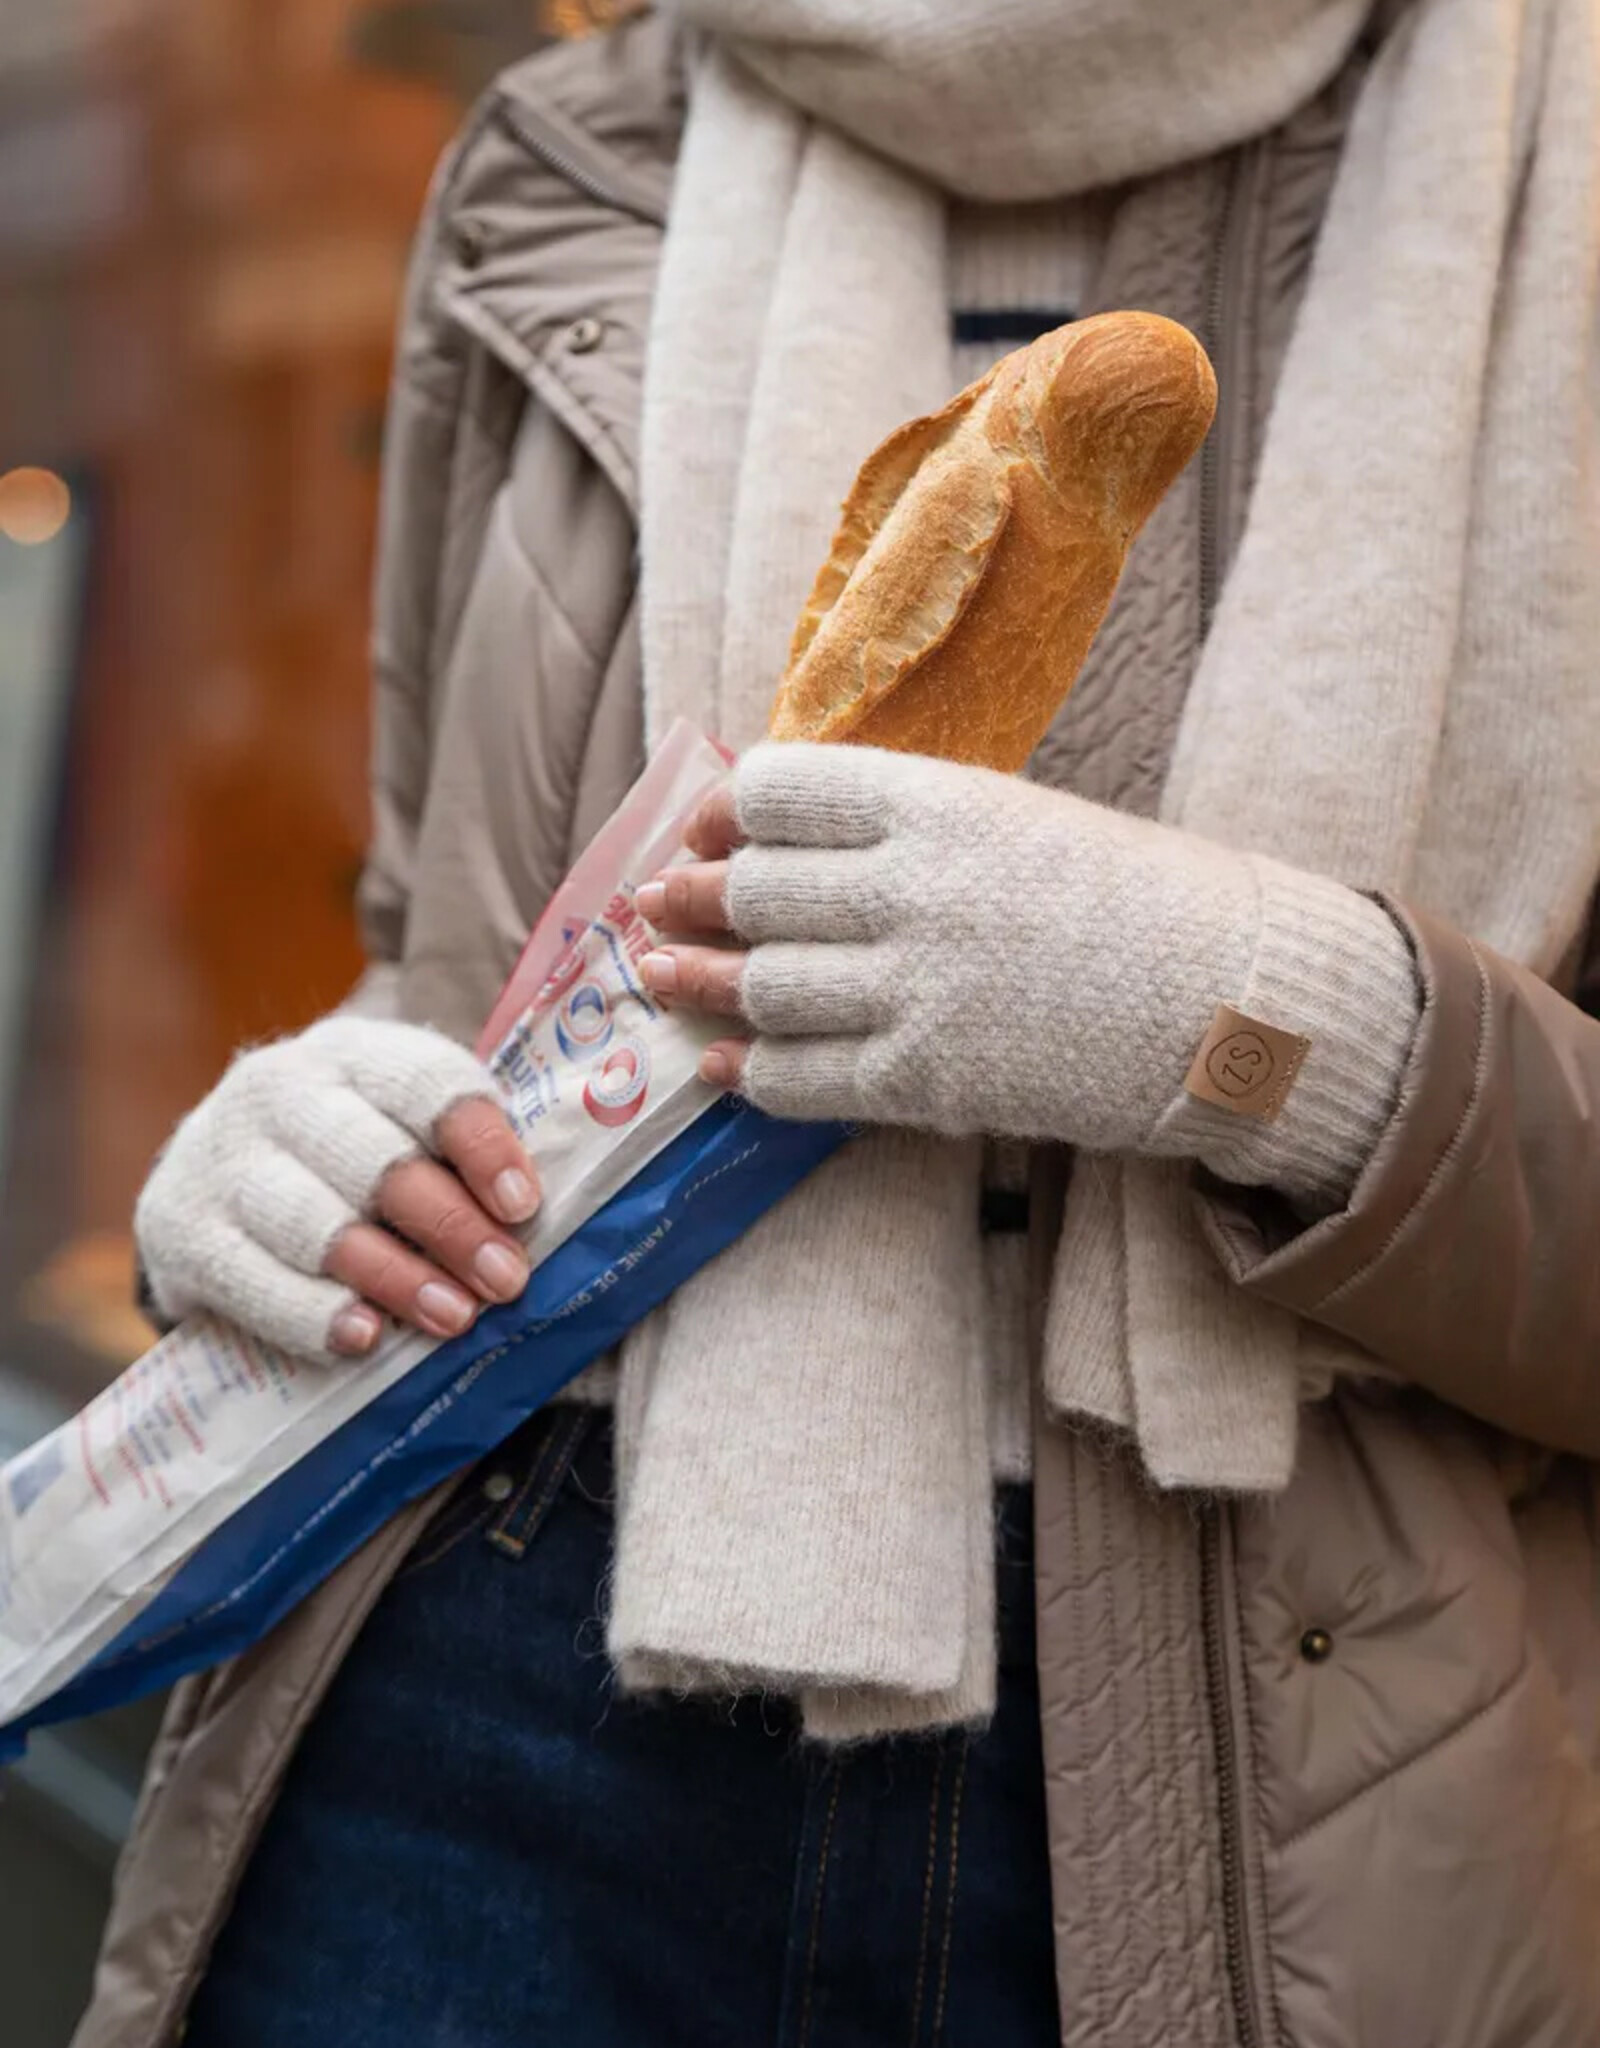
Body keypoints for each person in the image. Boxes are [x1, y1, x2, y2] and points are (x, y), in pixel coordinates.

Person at [72, 2, 1600, 2044]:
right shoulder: (565, 151)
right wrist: (275, 1162)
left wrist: (1248, 1015)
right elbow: (428, 949)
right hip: (484, 1646)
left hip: (1280, 1729)